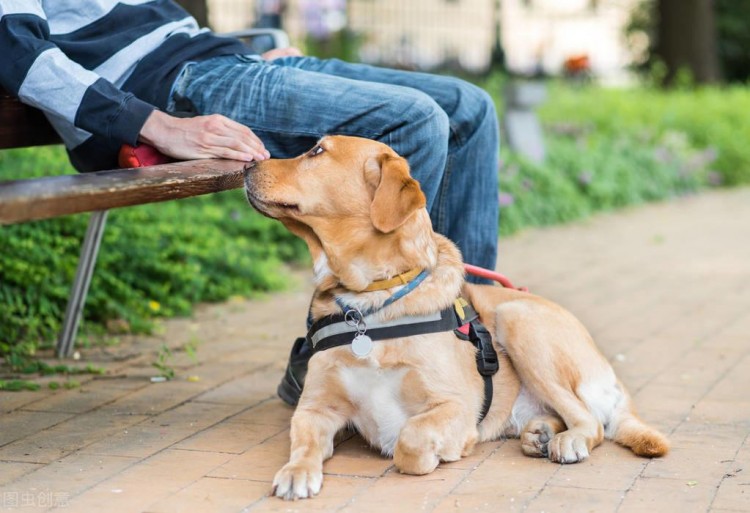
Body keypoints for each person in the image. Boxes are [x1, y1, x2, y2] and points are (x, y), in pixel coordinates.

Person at [0, 0, 500, 405]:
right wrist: (153, 122)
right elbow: (13, 48)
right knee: (414, 120)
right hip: (173, 89)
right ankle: (340, 345)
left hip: (226, 63)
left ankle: (469, 335)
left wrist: (250, 58)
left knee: (469, 109)